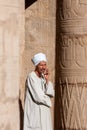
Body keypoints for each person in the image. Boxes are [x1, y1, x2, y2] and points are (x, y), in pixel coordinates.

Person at [23, 52, 54, 130]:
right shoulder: (31, 77)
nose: (43, 67)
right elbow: (38, 97)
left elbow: (51, 93)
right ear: (36, 65)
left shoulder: (43, 77)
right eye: (41, 65)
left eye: (45, 65)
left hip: (45, 113)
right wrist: (49, 101)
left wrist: (47, 80)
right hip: (35, 113)